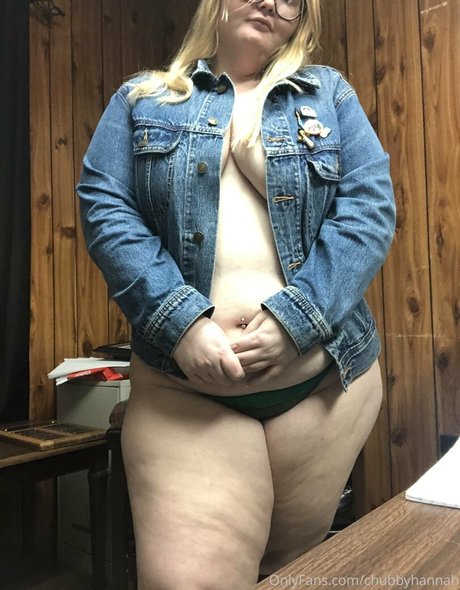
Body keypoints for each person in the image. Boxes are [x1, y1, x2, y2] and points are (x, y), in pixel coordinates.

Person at [78, 0, 396, 588]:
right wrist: (179, 322)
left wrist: (298, 319)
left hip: (322, 390)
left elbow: (369, 208)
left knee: (287, 573)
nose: (272, 2)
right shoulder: (142, 99)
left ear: (301, 20)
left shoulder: (329, 94)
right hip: (183, 394)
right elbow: (106, 211)